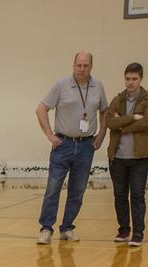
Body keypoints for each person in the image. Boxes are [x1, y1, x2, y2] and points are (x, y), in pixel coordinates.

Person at [35, 52, 107, 244]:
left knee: (78, 191)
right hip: (63, 144)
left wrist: (101, 134)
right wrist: (50, 134)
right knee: (53, 188)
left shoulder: (98, 86)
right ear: (73, 65)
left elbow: (104, 111)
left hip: (86, 146)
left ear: (91, 66)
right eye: (78, 65)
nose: (82, 69)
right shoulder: (61, 85)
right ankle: (46, 228)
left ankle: (67, 227)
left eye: (85, 66)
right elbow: (41, 109)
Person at [104, 62, 148, 247]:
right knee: (119, 195)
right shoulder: (117, 99)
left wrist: (123, 125)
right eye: (127, 79)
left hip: (138, 158)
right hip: (117, 158)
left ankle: (138, 233)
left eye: (134, 79)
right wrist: (132, 117)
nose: (130, 83)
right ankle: (124, 230)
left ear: (141, 79)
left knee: (137, 194)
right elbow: (110, 122)